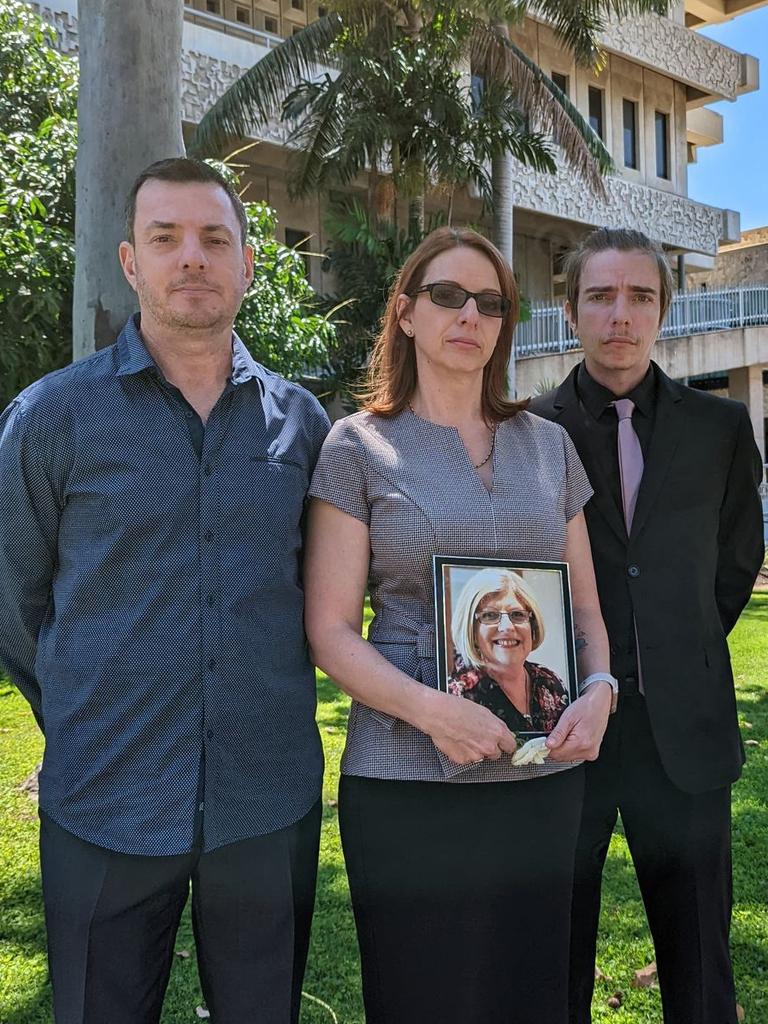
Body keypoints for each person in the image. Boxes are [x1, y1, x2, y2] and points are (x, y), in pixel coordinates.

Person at [0, 158, 329, 1024]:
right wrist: (84, 707)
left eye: (215, 239)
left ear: (248, 264)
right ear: (130, 261)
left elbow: (326, 594)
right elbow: (12, 599)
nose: (192, 257)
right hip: (104, 798)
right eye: (166, 238)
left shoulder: (305, 426)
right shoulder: (51, 419)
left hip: (266, 797)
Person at [303, 226, 617, 1024]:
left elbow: (584, 606)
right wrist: (433, 712)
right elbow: (331, 629)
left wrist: (602, 687)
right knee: (423, 996)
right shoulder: (358, 446)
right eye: (448, 295)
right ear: (405, 312)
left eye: (491, 303)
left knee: (532, 992)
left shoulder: (549, 447)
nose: (469, 315)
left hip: (542, 781)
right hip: (408, 780)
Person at [528, 227, 765, 1024]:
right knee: (553, 957)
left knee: (700, 968)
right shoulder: (526, 430)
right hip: (565, 732)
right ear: (570, 311)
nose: (619, 315)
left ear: (665, 308)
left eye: (639, 297)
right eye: (600, 296)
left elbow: (734, 564)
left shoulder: (721, 429)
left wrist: (678, 647)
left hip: (685, 732)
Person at [447, 566, 568, 733]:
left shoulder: (549, 681)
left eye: (517, 615)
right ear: (472, 631)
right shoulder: (457, 693)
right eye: (490, 615)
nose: (507, 627)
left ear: (532, 627)